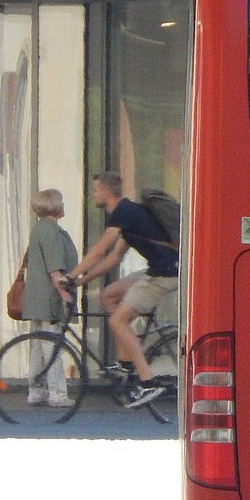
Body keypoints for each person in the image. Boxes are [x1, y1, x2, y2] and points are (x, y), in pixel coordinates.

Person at [65, 171, 177, 407]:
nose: (94, 195)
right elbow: (113, 259)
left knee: (117, 321)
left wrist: (71, 275)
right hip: (159, 269)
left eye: (95, 191)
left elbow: (100, 250)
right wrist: (81, 281)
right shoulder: (130, 215)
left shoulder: (123, 213)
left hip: (165, 273)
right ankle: (126, 365)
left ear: (106, 192)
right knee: (109, 295)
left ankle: (148, 381)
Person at [21, 189, 77, 406]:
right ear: (54, 205)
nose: (64, 205)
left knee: (37, 346)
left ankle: (36, 391)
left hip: (36, 297)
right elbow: (55, 270)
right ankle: (58, 394)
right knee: (51, 346)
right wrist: (64, 295)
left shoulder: (38, 230)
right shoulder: (52, 232)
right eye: (61, 201)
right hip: (49, 298)